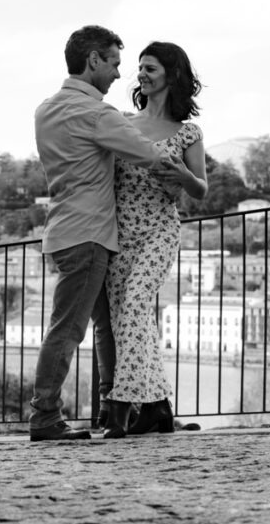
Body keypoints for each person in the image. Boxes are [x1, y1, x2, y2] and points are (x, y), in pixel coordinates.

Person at [30, 25, 189, 442]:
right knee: (68, 330)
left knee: (106, 325)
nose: (120, 74)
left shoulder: (44, 110)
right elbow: (149, 153)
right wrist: (186, 177)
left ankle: (111, 408)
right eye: (115, 63)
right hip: (92, 235)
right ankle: (46, 417)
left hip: (62, 231)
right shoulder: (98, 115)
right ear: (94, 61)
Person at [102, 42, 208, 438]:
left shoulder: (189, 132)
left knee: (135, 305)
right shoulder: (122, 123)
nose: (141, 74)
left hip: (160, 231)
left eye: (151, 68)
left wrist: (182, 175)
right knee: (130, 318)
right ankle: (158, 408)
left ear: (171, 75)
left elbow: (200, 189)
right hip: (119, 233)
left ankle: (120, 407)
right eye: (140, 68)